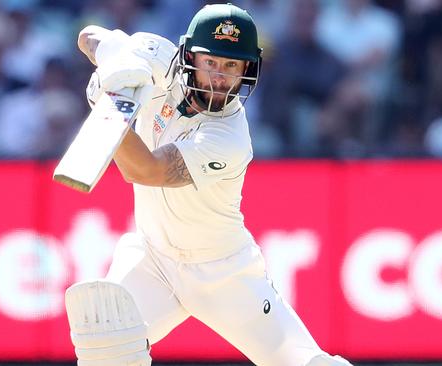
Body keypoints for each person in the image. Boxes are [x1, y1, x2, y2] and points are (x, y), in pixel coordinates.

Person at [69, 4, 352, 365]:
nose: (220, 77)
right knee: (105, 350)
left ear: (248, 70)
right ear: (188, 56)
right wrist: (113, 57)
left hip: (223, 274)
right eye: (211, 62)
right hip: (152, 257)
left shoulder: (229, 137)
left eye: (232, 66)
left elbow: (146, 170)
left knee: (307, 363)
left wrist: (108, 106)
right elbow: (88, 37)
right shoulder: (155, 56)